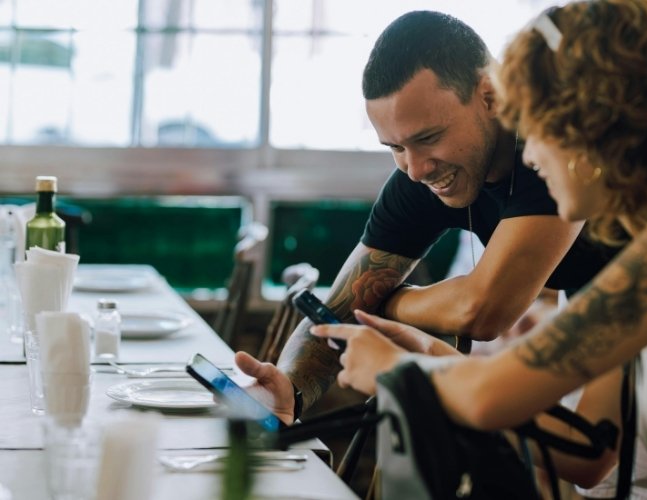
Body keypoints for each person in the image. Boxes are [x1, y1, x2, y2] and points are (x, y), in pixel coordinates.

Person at [310, 0, 647, 498]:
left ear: (597, 125)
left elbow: (488, 399)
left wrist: (399, 368)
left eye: (540, 127)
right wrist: (431, 354)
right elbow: (585, 452)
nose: (534, 156)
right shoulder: (645, 247)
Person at [234, 9, 615, 425]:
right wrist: (288, 387)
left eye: (428, 138)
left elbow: (485, 310)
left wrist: (388, 302)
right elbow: (342, 303)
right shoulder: (420, 177)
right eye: (394, 147)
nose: (415, 169)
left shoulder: (553, 151)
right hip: (608, 327)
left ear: (489, 96)